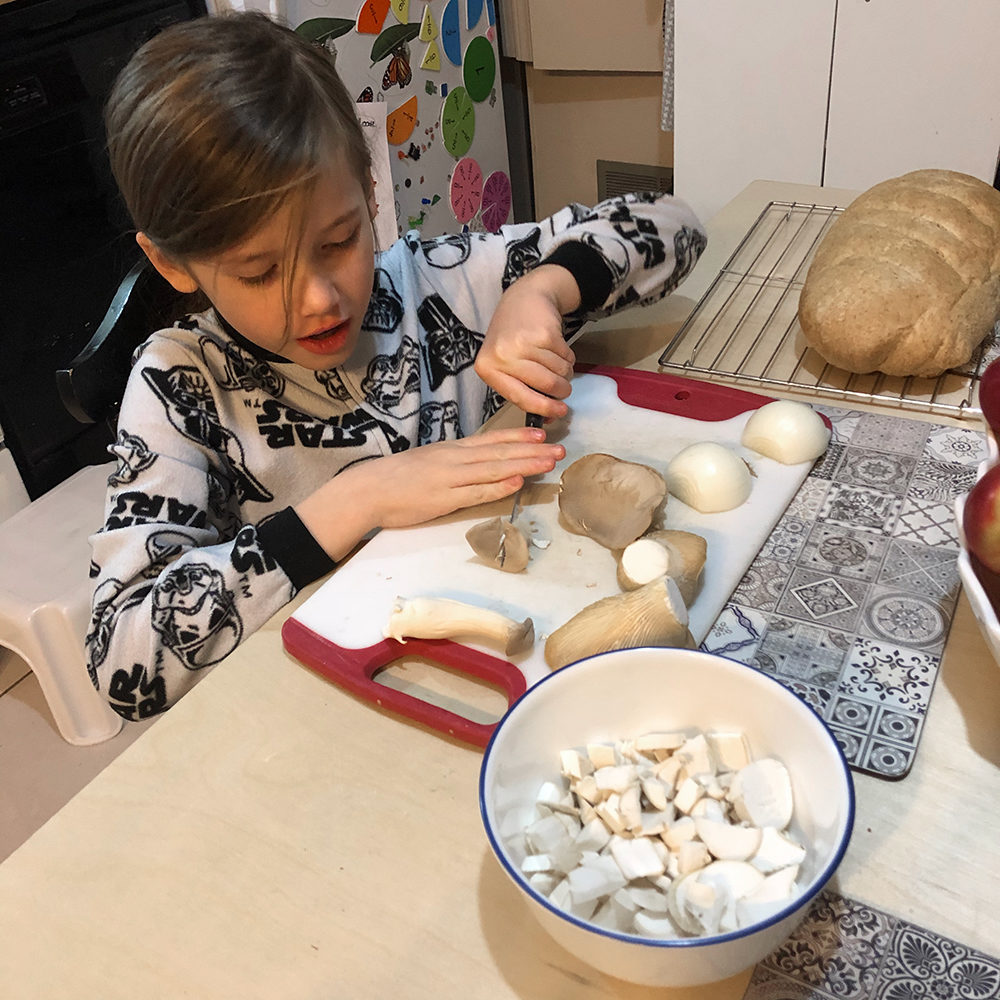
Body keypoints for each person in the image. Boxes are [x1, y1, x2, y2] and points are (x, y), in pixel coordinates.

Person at [89, 10, 707, 720]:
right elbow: (120, 657)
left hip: (489, 671)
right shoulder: (178, 387)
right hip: (316, 710)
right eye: (261, 273)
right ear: (173, 263)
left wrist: (544, 287)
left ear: (372, 191)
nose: (320, 298)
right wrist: (357, 500)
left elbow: (673, 222)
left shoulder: (441, 285)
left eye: (339, 240)